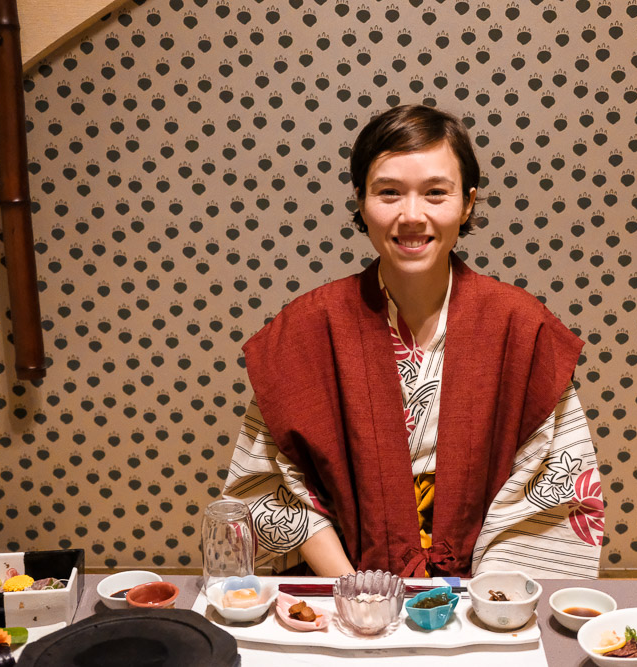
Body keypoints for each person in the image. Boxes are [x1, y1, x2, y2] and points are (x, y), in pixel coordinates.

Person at [223, 104, 604, 579]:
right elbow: (268, 489)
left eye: (435, 193)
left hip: (485, 587)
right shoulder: (307, 329)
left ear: (467, 203)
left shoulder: (521, 327)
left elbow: (552, 485)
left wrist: (481, 600)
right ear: (361, 201)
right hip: (343, 582)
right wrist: (354, 589)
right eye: (388, 192)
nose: (411, 215)